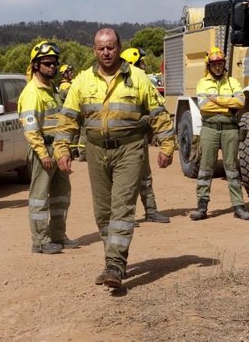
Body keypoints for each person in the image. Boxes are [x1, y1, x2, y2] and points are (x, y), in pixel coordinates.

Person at [55, 28, 176, 289]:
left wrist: (167, 144)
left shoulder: (139, 78)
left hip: (130, 150)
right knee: (103, 212)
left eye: (110, 47)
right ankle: (112, 258)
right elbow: (68, 118)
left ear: (119, 47)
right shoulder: (82, 82)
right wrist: (62, 148)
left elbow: (158, 113)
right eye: (101, 48)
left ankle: (115, 264)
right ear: (94, 50)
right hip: (96, 151)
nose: (106, 52)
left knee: (122, 207)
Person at [17, 41, 78, 254]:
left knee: (62, 194)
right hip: (43, 150)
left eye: (54, 63)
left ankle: (58, 235)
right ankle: (40, 241)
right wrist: (42, 153)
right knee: (40, 197)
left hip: (57, 149)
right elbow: (31, 128)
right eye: (47, 63)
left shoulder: (49, 89)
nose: (52, 67)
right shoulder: (32, 92)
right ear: (36, 65)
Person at [190, 47, 249, 222]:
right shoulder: (203, 82)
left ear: (224, 64)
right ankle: (202, 207)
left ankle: (238, 206)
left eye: (220, 64)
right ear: (209, 65)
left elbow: (240, 102)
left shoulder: (233, 82)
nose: (217, 67)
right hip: (209, 129)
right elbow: (204, 106)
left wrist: (216, 100)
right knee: (205, 168)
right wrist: (228, 105)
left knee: (232, 169)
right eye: (214, 64)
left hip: (230, 129)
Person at [120, 47, 170, 224]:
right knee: (128, 180)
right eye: (141, 62)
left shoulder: (142, 82)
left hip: (140, 138)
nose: (145, 65)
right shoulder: (126, 84)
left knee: (145, 177)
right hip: (127, 141)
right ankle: (127, 216)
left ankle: (151, 210)